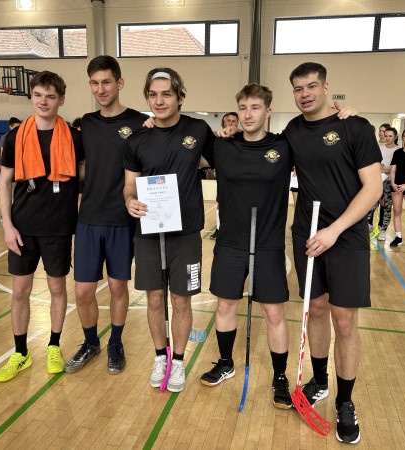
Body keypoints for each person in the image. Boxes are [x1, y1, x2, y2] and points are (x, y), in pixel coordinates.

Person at [284, 62, 382, 445]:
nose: (305, 94)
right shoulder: (292, 131)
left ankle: (345, 401)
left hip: (346, 237)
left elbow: (373, 188)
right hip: (307, 235)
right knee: (316, 309)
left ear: (326, 88)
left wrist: (334, 230)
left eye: (311, 86)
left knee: (344, 322)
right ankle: (320, 381)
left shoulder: (355, 127)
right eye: (298, 88)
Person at [199, 84, 293, 409]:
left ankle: (280, 377)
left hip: (268, 245)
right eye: (243, 108)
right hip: (230, 243)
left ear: (268, 111)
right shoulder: (222, 146)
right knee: (225, 306)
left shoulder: (284, 146)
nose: (248, 114)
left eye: (255, 107)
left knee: (274, 313)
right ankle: (226, 363)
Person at [123, 67, 215, 392]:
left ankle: (178, 361)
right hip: (148, 232)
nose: (159, 101)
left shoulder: (198, 129)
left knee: (181, 300)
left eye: (166, 94)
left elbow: (222, 158)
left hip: (186, 233)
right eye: (153, 95)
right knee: (153, 298)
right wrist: (129, 201)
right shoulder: (137, 139)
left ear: (179, 97)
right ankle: (159, 356)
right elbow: (129, 186)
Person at [0, 71, 83, 382]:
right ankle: (20, 353)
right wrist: (7, 225)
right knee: (20, 291)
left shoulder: (74, 137)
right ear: (31, 96)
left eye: (50, 96)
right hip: (23, 228)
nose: (43, 102)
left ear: (61, 99)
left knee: (57, 289)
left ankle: (54, 346)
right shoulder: (14, 137)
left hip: (59, 227)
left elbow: (88, 177)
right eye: (38, 95)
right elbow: (4, 182)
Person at [65, 56, 148, 375]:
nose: (101, 89)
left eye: (106, 82)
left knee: (117, 287)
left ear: (119, 83)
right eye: (95, 83)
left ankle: (115, 341)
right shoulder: (86, 123)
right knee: (82, 290)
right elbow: (75, 165)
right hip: (88, 219)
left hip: (122, 220)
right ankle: (90, 342)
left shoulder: (140, 122)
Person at [209, 112, 240, 240]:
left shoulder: (242, 137)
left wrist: (237, 131)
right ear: (223, 122)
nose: (230, 123)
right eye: (228, 120)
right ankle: (219, 228)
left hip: (240, 180)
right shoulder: (217, 138)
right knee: (221, 203)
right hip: (223, 179)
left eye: (233, 121)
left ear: (237, 123)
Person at [368, 127, 400, 241]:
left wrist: (385, 170)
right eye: (386, 136)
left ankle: (383, 230)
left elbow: (396, 169)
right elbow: (374, 164)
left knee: (386, 206)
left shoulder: (398, 150)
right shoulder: (379, 148)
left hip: (390, 181)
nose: (387, 138)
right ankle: (369, 227)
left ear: (395, 136)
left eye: (390, 136)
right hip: (377, 180)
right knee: (372, 205)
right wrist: (380, 168)